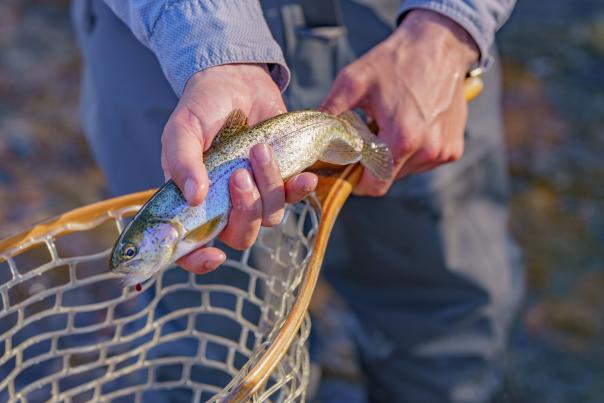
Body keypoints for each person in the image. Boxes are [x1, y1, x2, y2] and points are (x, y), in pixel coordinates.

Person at [71, 0, 523, 401]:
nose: (128, 260)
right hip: (169, 51)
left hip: (402, 30)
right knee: (214, 354)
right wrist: (214, 46)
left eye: (132, 252)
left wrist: (451, 25)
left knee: (442, 323)